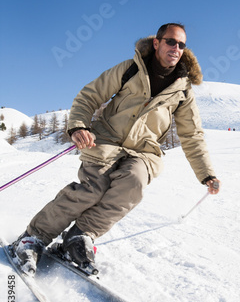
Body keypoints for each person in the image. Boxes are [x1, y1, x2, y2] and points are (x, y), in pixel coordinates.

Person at [12, 23, 220, 275]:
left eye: (182, 45)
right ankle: (33, 238)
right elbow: (89, 95)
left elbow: (192, 135)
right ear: (157, 43)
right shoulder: (130, 69)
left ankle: (79, 237)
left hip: (144, 151)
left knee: (133, 183)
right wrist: (78, 125)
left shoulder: (183, 90)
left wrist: (206, 173)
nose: (176, 48)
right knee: (92, 188)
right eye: (171, 42)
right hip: (106, 139)